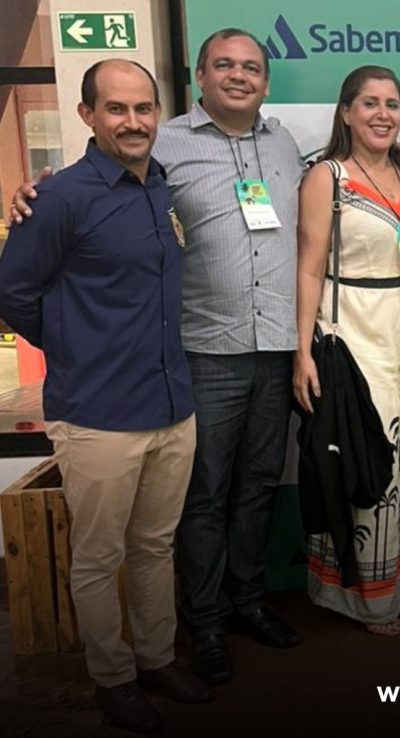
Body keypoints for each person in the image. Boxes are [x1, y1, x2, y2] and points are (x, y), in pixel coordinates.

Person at [9, 28, 307, 682]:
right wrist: (73, 338)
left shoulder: (283, 144)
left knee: (256, 487)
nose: (238, 76)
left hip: (273, 346)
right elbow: (39, 265)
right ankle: (204, 622)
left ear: (265, 81)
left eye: (251, 67)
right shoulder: (162, 143)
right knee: (203, 497)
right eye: (223, 65)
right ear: (199, 76)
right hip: (202, 351)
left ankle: (246, 602)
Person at [0, 60, 212, 733]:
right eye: (116, 109)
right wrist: (76, 346)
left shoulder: (161, 186)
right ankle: (113, 679)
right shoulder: (59, 198)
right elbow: (13, 292)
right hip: (97, 413)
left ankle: (156, 659)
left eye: (144, 108)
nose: (133, 121)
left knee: (155, 545)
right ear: (88, 115)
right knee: (98, 558)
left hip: (170, 404)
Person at [293, 65, 400, 636]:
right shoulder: (326, 177)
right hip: (357, 329)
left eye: (392, 104)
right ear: (346, 111)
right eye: (369, 103)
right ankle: (367, 594)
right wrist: (302, 352)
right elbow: (309, 267)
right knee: (367, 454)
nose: (383, 114)